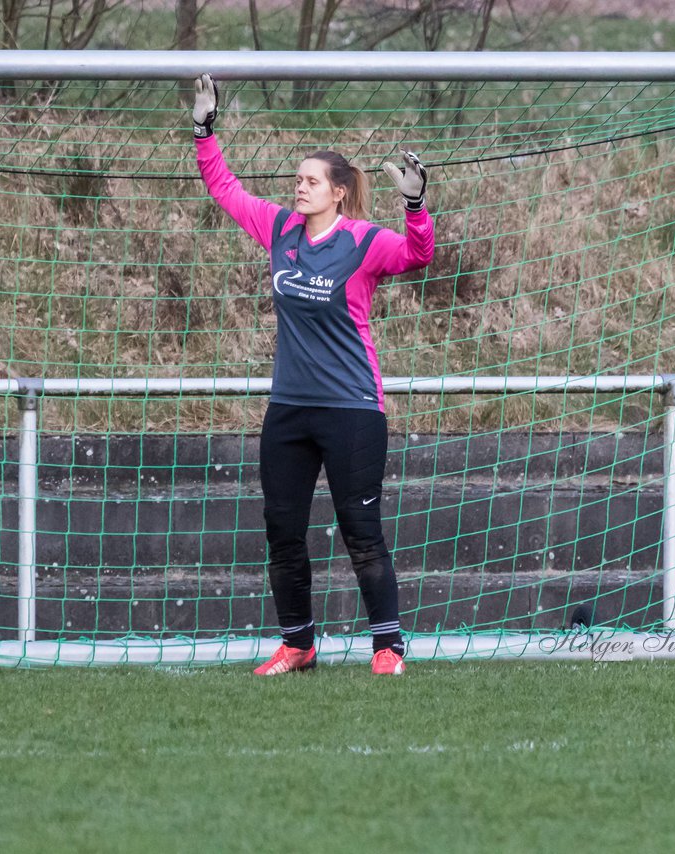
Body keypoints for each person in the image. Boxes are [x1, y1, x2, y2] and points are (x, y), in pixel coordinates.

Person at [191, 74, 435, 676]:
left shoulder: (365, 242)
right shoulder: (278, 230)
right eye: (296, 180)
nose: (298, 188)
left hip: (353, 409)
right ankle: (298, 644)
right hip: (290, 409)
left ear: (339, 192)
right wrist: (204, 132)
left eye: (310, 181)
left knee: (361, 531)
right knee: (283, 531)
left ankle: (387, 648)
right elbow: (225, 188)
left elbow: (417, 256)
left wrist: (415, 207)